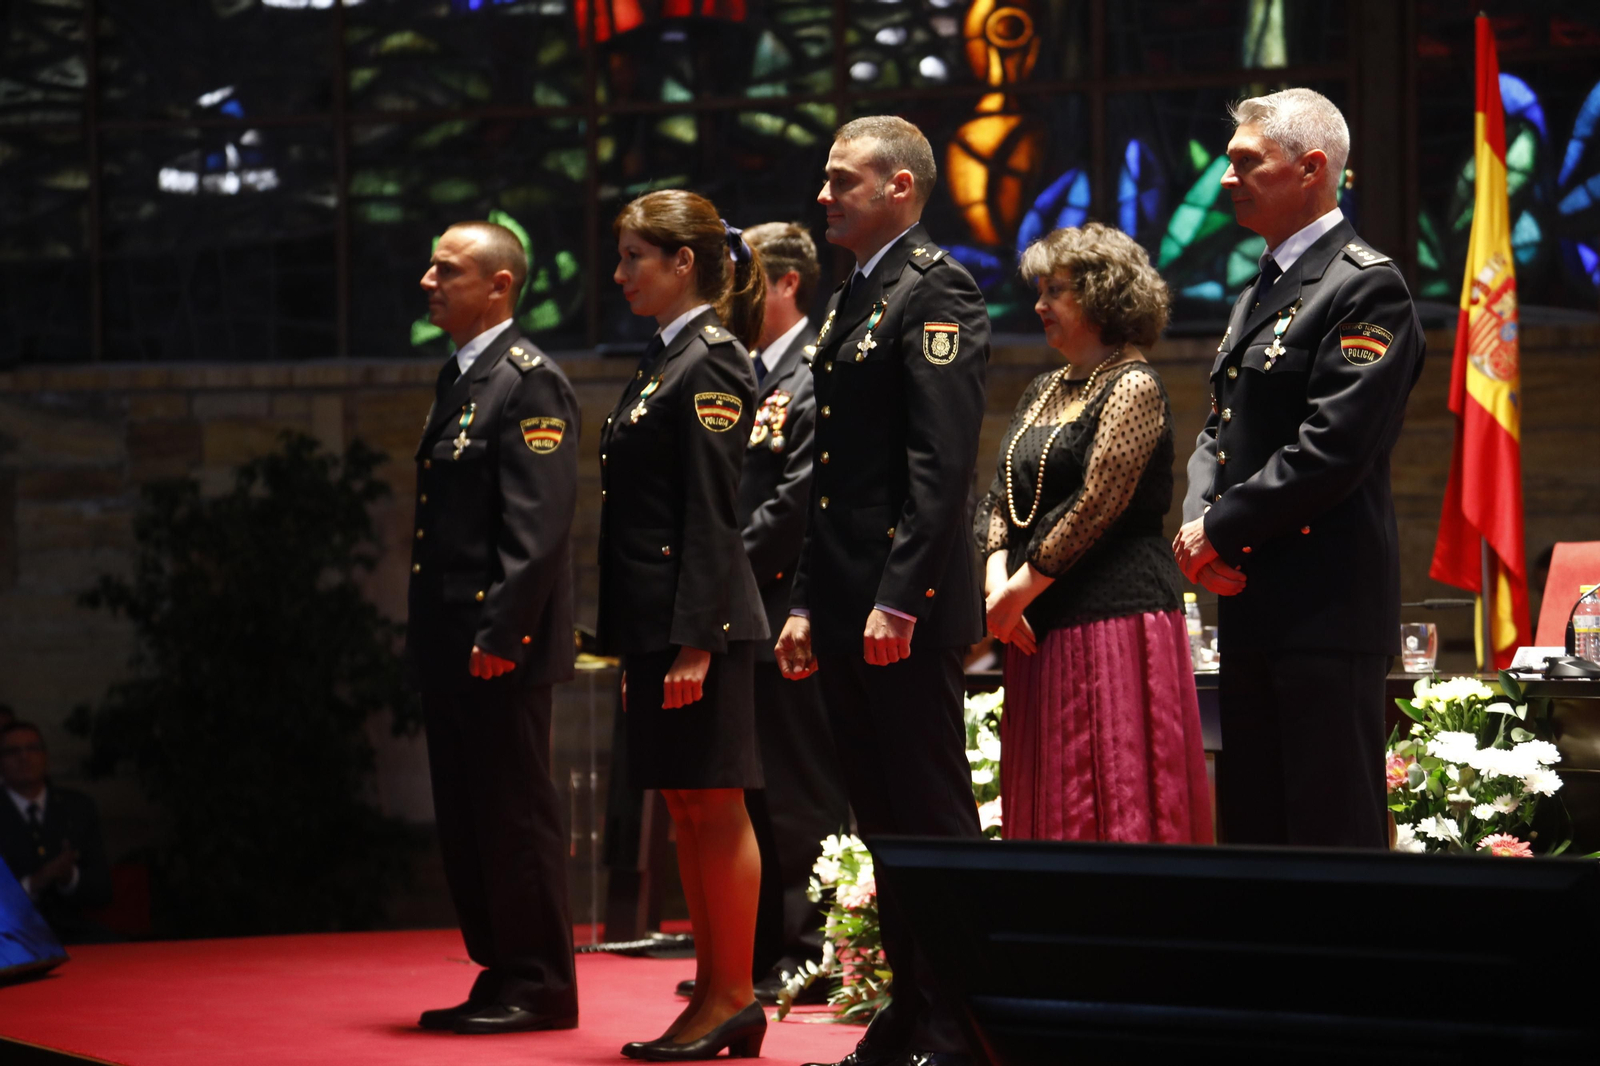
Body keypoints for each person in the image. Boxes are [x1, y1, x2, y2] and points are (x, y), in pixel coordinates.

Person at [776, 115, 988, 1066]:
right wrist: (806, 602)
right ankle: (910, 1001)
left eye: (842, 180)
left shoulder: (935, 288)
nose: (824, 196)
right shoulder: (857, 295)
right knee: (881, 817)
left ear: (900, 187)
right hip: (852, 598)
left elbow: (939, 469)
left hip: (904, 606)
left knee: (933, 815)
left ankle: (962, 1015)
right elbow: (832, 476)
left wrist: (898, 597)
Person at [1173, 88, 1425, 848]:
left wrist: (1220, 526)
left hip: (1325, 606)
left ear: (1311, 168)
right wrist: (1198, 519)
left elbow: (1333, 448)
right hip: (1251, 599)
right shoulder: (1258, 289)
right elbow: (1219, 426)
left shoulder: (1365, 285)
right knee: (1253, 828)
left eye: (1246, 163)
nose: (1224, 180)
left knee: (1327, 830)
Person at [598, 189, 771, 1061]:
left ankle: (734, 994)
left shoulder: (709, 360)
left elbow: (713, 512)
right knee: (684, 807)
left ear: (684, 264)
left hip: (700, 624)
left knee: (714, 802)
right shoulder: (666, 356)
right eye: (622, 256)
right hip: (658, 621)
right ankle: (711, 989)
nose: (620, 273)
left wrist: (699, 639)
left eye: (635, 257)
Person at [977, 223, 1212, 844]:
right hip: (1035, 620)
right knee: (1049, 798)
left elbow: (1095, 508)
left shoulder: (1133, 385)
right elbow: (1002, 494)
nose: (1039, 305)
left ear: (1102, 296)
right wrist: (997, 583)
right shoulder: (1045, 388)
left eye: (1055, 290)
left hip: (1113, 619)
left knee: (1116, 797)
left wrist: (1014, 596)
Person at [405, 220, 582, 1034]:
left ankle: (542, 980)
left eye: (449, 270)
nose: (428, 282)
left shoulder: (526, 382)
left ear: (500, 285)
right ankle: (503, 966)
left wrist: (502, 632)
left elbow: (536, 528)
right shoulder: (463, 377)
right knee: (471, 811)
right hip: (453, 639)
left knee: (513, 812)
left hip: (494, 643)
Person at [735, 221, 849, 1003]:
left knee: (798, 787)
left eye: (742, 283)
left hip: (786, 605)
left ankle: (810, 951)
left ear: (786, 284)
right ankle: (758, 949)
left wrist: (717, 572)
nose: (726, 300)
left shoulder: (814, 371)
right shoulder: (742, 374)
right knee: (750, 785)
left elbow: (795, 504)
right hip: (739, 609)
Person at [0, 721, 113, 943]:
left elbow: (102, 890)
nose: (24, 758)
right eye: (13, 751)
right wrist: (33, 883)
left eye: (32, 748)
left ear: (45, 756)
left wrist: (69, 877)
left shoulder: (78, 806)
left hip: (74, 932)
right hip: (11, 938)